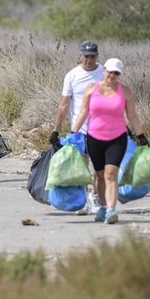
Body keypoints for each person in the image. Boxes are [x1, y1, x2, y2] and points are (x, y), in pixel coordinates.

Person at [70, 58, 148, 224]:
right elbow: (83, 112)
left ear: (119, 74)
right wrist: (73, 133)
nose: (112, 75)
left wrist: (140, 135)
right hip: (94, 138)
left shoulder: (125, 91)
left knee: (110, 174)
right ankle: (104, 207)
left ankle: (112, 210)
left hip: (117, 138)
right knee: (99, 175)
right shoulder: (91, 89)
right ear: (103, 70)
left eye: (116, 73)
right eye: (110, 71)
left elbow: (132, 115)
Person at [49, 40, 103, 215]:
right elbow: (64, 105)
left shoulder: (103, 73)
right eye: (86, 56)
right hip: (78, 130)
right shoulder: (72, 75)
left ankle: (95, 198)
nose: (89, 59)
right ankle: (82, 201)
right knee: (80, 168)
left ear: (97, 56)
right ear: (80, 55)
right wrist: (55, 129)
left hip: (101, 129)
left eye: (92, 56)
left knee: (98, 168)